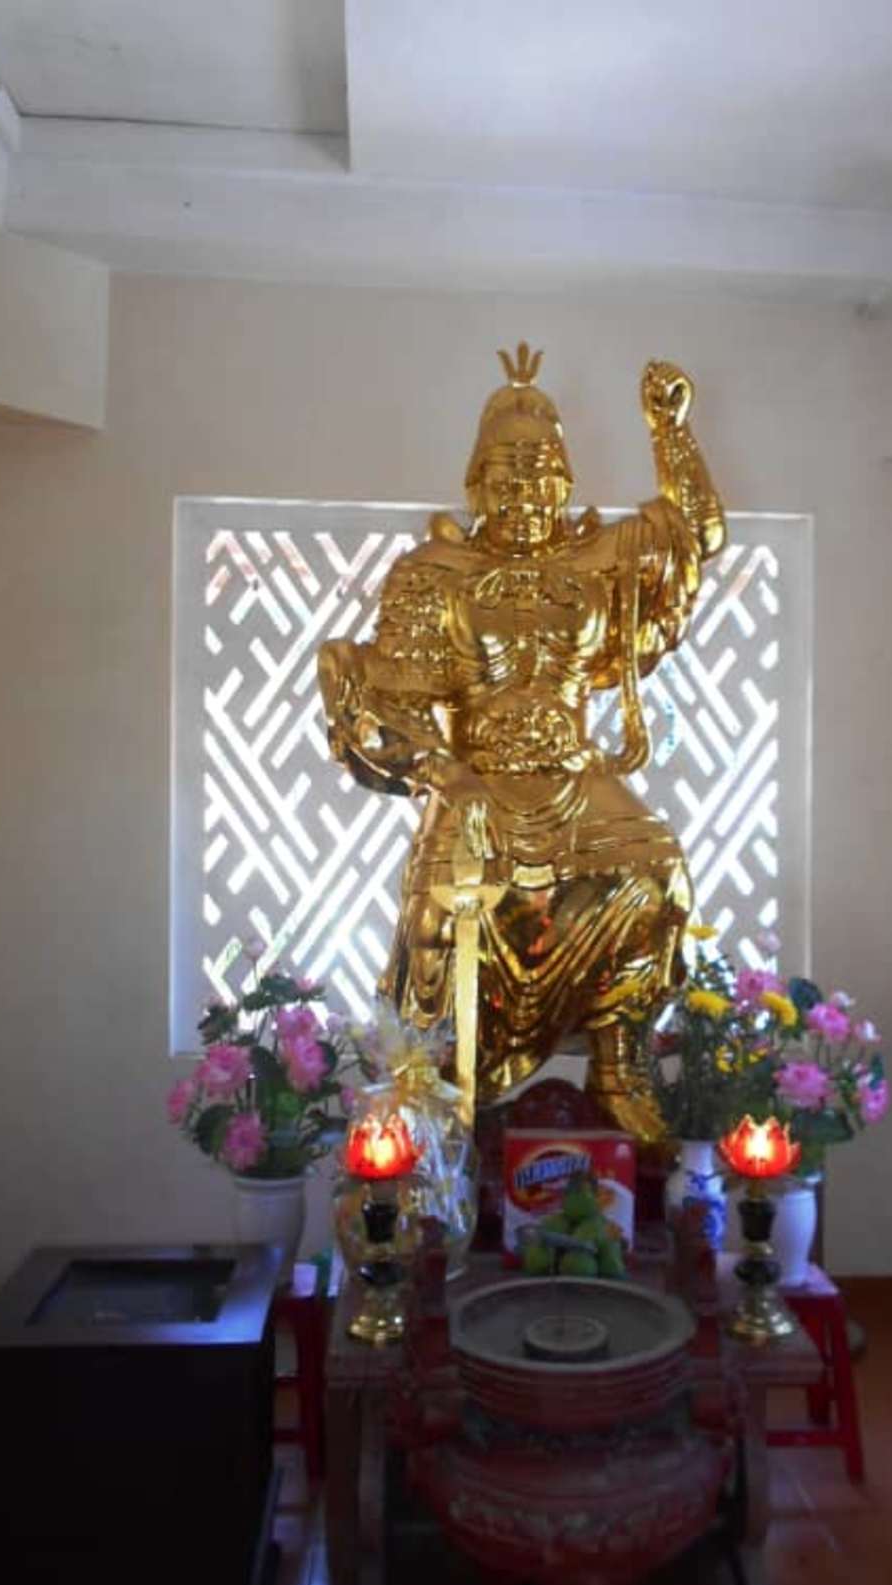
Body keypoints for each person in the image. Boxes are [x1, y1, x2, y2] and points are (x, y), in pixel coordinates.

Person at [319, 344, 725, 1142]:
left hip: (575, 777)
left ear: (564, 482)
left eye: (541, 476)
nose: (524, 494)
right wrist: (446, 775)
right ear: (476, 483)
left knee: (656, 875)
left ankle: (617, 1065)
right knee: (440, 916)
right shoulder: (434, 572)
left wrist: (670, 431)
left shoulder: (600, 560)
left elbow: (695, 534)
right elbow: (394, 700)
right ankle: (434, 1086)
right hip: (473, 781)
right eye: (506, 476)